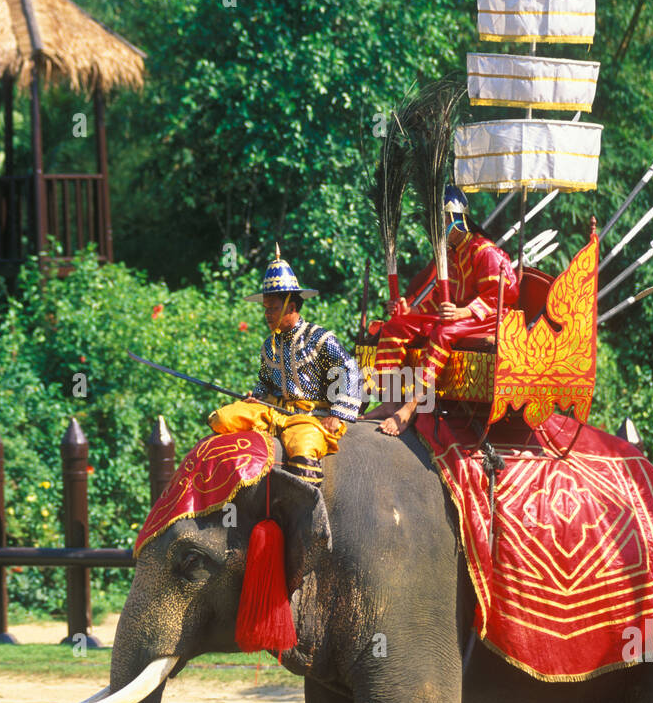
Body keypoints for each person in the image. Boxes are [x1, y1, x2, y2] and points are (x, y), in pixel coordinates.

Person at [208, 246, 362, 484]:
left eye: (273, 308)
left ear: (291, 307)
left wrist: (338, 414)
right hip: (273, 413)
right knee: (221, 419)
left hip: (309, 417)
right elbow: (265, 381)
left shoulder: (320, 338)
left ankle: (309, 516)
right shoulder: (269, 345)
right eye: (266, 308)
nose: (268, 314)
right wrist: (256, 395)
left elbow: (350, 371)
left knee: (303, 451)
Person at [375, 186, 519, 436]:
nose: (436, 229)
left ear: (456, 219)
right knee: (395, 325)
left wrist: (464, 312)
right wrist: (409, 310)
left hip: (489, 318)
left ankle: (410, 406)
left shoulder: (485, 252)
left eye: (440, 221)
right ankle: (388, 402)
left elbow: (504, 294)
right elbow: (440, 301)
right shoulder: (450, 256)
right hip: (458, 317)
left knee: (443, 331)